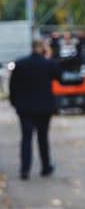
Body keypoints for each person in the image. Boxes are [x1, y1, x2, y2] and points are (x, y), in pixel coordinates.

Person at [9, 38, 60, 180]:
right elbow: (59, 76)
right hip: (44, 108)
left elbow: (13, 87)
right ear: (43, 49)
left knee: (26, 138)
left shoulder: (20, 64)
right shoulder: (48, 64)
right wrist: (49, 57)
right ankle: (45, 166)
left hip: (25, 108)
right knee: (43, 138)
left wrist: (15, 103)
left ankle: (25, 170)